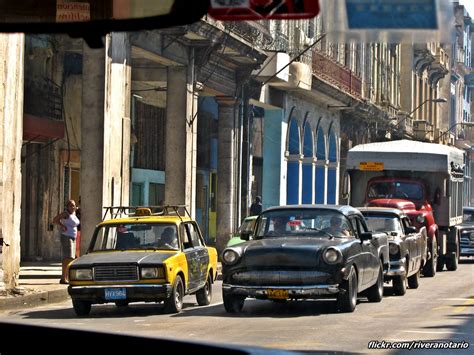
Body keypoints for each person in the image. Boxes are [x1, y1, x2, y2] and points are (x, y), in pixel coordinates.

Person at [53, 199, 80, 284]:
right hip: (66, 237)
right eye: (71, 205)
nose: (73, 207)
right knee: (67, 258)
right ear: (67, 206)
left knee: (71, 258)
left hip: (73, 237)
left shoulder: (74, 213)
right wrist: (62, 225)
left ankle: (67, 277)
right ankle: (63, 278)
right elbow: (55, 220)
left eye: (74, 205)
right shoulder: (65, 214)